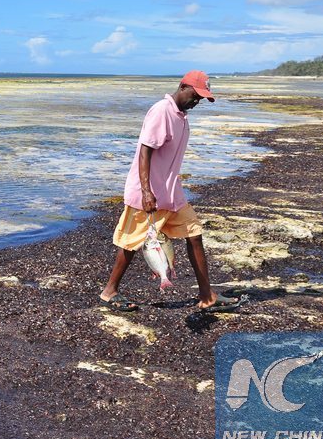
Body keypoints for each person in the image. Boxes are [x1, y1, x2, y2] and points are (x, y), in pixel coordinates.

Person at [98, 70, 242, 313]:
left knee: (194, 234)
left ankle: (207, 296)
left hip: (172, 193)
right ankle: (109, 291)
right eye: (195, 96)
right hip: (149, 193)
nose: (196, 102)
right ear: (182, 86)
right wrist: (146, 191)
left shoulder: (181, 117)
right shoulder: (162, 111)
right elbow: (145, 151)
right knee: (132, 243)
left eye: (201, 99)